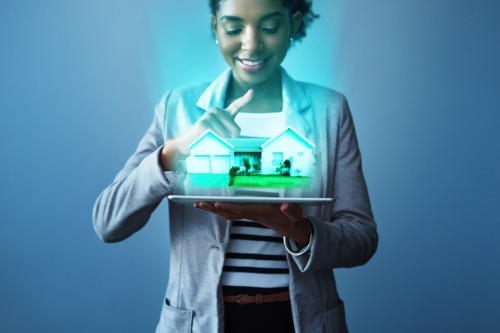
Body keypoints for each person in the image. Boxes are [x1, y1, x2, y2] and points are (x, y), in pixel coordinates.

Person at [93, 0, 378, 332]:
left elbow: (362, 238)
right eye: (233, 28)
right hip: (201, 321)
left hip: (299, 319)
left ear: (294, 25)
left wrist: (296, 230)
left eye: (269, 27)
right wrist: (176, 149)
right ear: (215, 26)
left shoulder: (330, 110)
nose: (252, 44)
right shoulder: (178, 108)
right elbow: (108, 222)